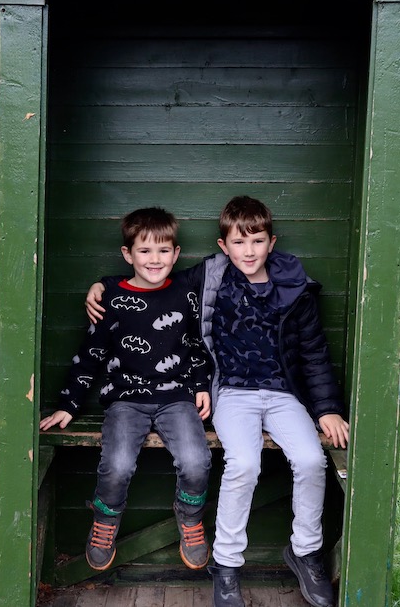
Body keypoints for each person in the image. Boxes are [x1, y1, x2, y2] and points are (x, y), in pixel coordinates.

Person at [86, 196, 350, 607]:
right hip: (232, 393)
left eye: (258, 241)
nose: (249, 251)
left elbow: (313, 352)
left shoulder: (296, 287)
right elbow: (153, 281)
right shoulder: (211, 276)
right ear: (223, 246)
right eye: (238, 243)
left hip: (283, 394)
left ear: (271, 242)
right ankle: (226, 565)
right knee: (243, 463)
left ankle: (305, 553)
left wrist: (327, 408)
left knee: (313, 460)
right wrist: (102, 283)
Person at [41, 207, 213, 573]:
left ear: (176, 254)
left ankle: (190, 516)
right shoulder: (112, 298)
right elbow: (90, 356)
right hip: (126, 401)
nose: (155, 259)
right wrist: (68, 405)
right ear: (128, 254)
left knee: (197, 461)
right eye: (145, 251)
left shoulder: (185, 293)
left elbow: (196, 346)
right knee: (117, 465)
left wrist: (201, 386)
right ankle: (105, 521)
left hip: (176, 398)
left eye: (164, 251)